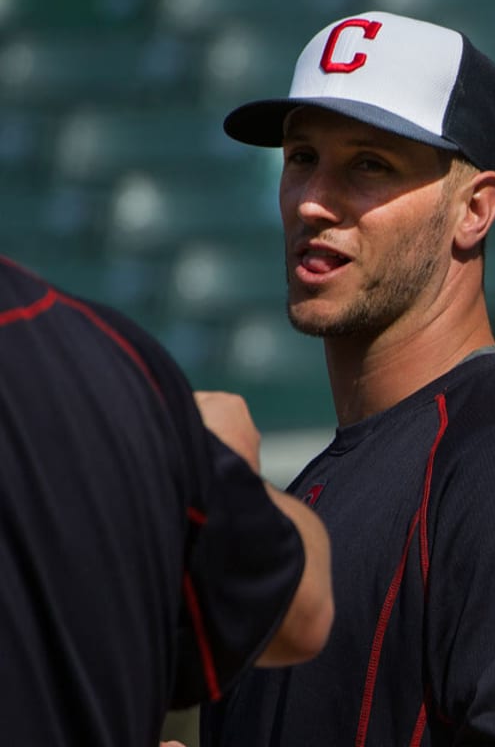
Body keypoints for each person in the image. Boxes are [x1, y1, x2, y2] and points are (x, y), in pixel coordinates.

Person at [200, 11, 495, 746]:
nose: (313, 200)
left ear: (474, 209)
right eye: (300, 157)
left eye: (369, 165)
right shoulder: (337, 475)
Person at [0, 256, 333, 746]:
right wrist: (214, 460)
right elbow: (305, 602)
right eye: (300, 171)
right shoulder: (97, 359)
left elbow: (303, 605)